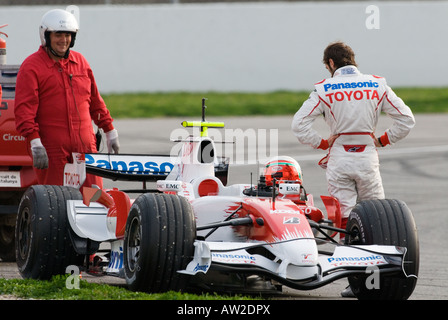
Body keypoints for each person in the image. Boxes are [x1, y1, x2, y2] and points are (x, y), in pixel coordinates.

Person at [291, 41, 415, 236]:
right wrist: (383, 140)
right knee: (376, 216)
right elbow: (407, 120)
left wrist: (321, 143)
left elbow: (298, 124)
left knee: (342, 217)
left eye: (326, 67)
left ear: (331, 63)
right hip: (367, 156)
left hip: (339, 157)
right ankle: (376, 257)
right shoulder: (377, 84)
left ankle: (345, 254)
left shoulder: (324, 89)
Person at [15, 9, 119, 189]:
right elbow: (24, 111)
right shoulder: (31, 66)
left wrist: (110, 130)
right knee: (56, 204)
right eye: (58, 35)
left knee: (96, 199)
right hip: (51, 149)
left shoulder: (81, 62)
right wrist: (35, 142)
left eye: (68, 35)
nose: (64, 40)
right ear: (46, 36)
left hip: (86, 147)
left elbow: (95, 101)